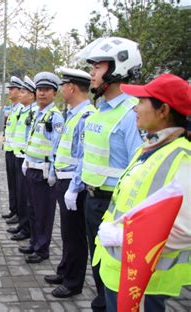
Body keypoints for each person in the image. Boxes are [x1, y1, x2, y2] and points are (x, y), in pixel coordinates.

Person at [94, 73, 190, 311]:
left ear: (163, 110)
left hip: (144, 282)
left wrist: (124, 238)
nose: (135, 109)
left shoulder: (182, 158)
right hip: (120, 272)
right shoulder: (150, 147)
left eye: (141, 102)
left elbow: (184, 231)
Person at [75, 36, 144, 311]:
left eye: (97, 66)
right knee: (99, 266)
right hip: (92, 200)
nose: (91, 73)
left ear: (118, 69)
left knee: (116, 274)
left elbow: (140, 170)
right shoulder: (99, 110)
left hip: (115, 208)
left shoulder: (132, 113)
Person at [44, 68, 97, 298]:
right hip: (64, 180)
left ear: (72, 87)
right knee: (67, 232)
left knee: (75, 235)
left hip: (75, 184)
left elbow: (84, 156)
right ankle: (65, 270)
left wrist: (74, 187)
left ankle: (73, 282)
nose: (61, 89)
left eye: (63, 85)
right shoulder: (73, 114)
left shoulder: (86, 116)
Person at [19, 72, 64, 263]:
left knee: (43, 213)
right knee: (32, 210)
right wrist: (25, 160)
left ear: (54, 93)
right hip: (31, 168)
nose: (41, 94)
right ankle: (34, 243)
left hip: (45, 173)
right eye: (39, 90)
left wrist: (53, 172)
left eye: (46, 90)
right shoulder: (37, 114)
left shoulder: (55, 117)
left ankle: (42, 248)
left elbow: (57, 146)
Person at [6, 76, 36, 237]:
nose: (10, 92)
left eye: (14, 89)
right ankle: (18, 216)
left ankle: (24, 223)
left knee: (24, 193)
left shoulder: (31, 111)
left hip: (24, 156)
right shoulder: (18, 109)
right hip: (14, 152)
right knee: (16, 187)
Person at [1, 76, 24, 222]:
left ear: (20, 91)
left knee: (18, 185)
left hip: (17, 153)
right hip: (10, 151)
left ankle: (18, 213)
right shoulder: (14, 109)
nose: (9, 91)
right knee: (12, 183)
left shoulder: (22, 109)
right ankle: (13, 209)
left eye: (12, 89)